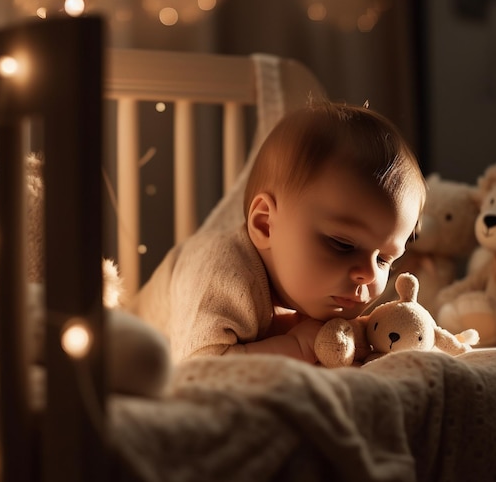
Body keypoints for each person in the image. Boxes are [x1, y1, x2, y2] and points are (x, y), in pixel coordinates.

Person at [131, 100, 426, 365]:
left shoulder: (311, 293)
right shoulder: (220, 272)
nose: (369, 274)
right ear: (264, 225)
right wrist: (299, 346)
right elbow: (201, 369)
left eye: (385, 259)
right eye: (342, 244)